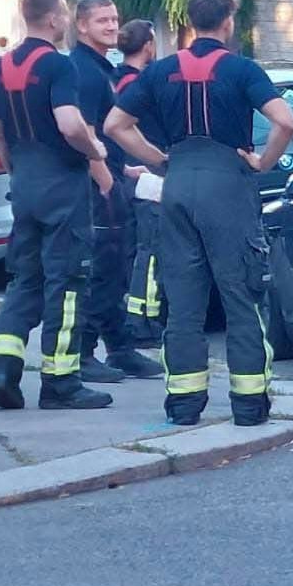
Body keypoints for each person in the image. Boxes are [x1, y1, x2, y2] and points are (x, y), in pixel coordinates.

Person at [107, 0, 293, 427]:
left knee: (184, 301)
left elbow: (116, 125)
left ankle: (185, 405)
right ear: (227, 22)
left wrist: (159, 161)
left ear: (191, 22)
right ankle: (249, 406)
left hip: (178, 184)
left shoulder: (160, 72)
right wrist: (263, 162)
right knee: (240, 296)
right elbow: (285, 120)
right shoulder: (241, 69)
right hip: (227, 185)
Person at [0, 0, 114, 411]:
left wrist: (18, 173)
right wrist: (96, 151)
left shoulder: (0, 67)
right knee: (68, 282)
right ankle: (61, 382)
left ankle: (2, 363)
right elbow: (70, 123)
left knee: (25, 278)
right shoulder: (59, 65)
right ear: (55, 19)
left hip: (25, 181)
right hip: (62, 183)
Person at [68, 0, 163, 382]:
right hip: (97, 192)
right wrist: (108, 185)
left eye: (114, 19)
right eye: (102, 21)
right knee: (101, 270)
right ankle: (85, 352)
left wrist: (128, 170)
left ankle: (120, 348)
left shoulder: (100, 68)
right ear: (81, 27)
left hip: (114, 179)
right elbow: (85, 136)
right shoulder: (85, 73)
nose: (111, 26)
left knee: (115, 270)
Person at [114, 19, 165, 346]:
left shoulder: (117, 79)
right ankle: (143, 320)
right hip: (148, 173)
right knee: (151, 248)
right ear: (148, 45)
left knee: (137, 248)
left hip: (129, 175)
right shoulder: (141, 84)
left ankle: (137, 315)